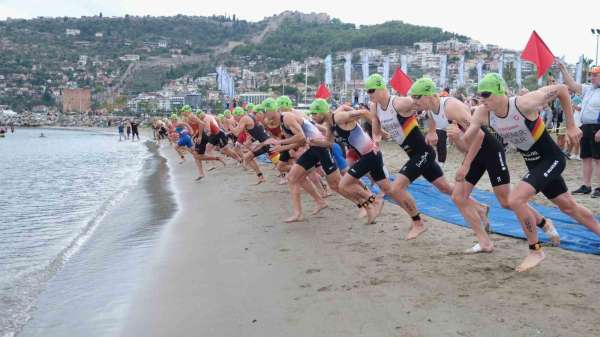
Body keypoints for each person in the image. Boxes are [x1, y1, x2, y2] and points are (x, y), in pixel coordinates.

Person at [463, 73, 600, 272]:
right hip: (534, 165)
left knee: (515, 199)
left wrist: (570, 125)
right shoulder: (483, 113)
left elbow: (561, 89)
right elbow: (468, 141)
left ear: (500, 91)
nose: (482, 100)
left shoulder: (524, 103)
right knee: (569, 207)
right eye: (479, 96)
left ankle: (536, 250)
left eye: (486, 94)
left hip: (551, 159)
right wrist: (458, 134)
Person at [410, 77, 558, 254]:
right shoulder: (431, 111)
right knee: (458, 197)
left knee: (505, 201)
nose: (414, 101)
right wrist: (434, 132)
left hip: (489, 150)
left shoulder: (450, 107)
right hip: (473, 154)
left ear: (429, 95)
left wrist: (465, 165)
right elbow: (456, 138)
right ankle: (485, 242)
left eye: (417, 97)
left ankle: (543, 222)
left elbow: (479, 136)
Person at [366, 74, 488, 240]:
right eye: (367, 91)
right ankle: (480, 207)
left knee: (395, 189)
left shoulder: (400, 103)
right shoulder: (375, 107)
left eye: (371, 90)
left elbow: (431, 106)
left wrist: (431, 131)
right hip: (412, 152)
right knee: (444, 188)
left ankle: (418, 223)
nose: (369, 94)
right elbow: (375, 122)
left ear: (381, 88)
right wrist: (376, 139)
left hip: (422, 152)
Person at [557, 62, 600, 198]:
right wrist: (563, 69)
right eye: (591, 75)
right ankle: (586, 186)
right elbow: (572, 85)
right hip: (586, 126)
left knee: (598, 159)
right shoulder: (589, 89)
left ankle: (599, 187)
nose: (591, 78)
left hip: (597, 128)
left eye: (595, 75)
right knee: (586, 157)